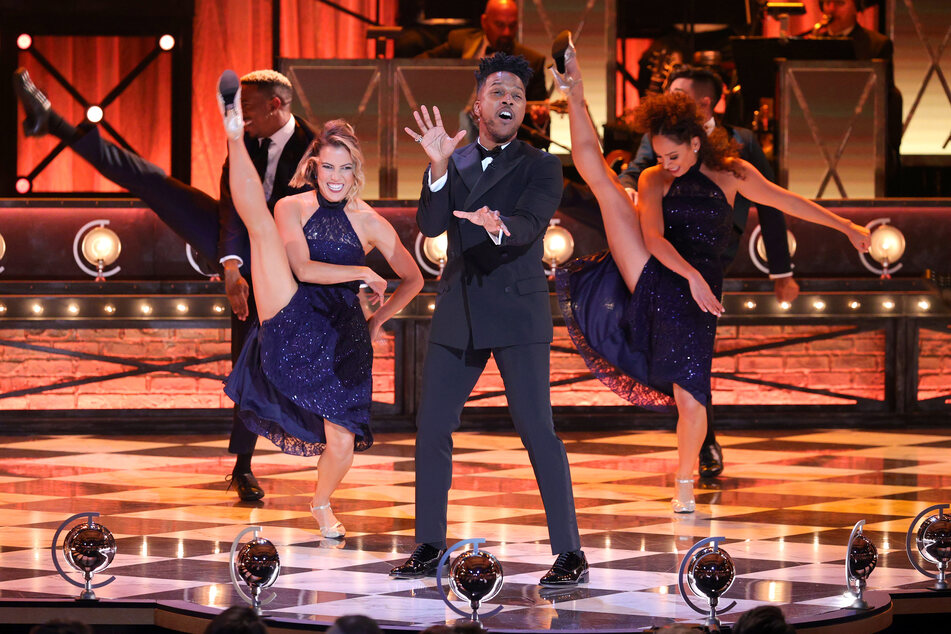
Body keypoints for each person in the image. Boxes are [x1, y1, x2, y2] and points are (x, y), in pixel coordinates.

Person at [551, 38, 869, 513]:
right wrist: (690, 278)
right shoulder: (654, 179)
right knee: (601, 182)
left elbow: (787, 202)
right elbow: (655, 240)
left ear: (696, 143)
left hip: (702, 288)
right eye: (659, 155)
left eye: (673, 156)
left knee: (692, 390)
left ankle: (684, 482)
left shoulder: (734, 173)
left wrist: (847, 226)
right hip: (658, 272)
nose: (666, 163)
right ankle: (574, 90)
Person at [12, 68, 316, 502]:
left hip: (282, 260)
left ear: (276, 105)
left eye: (245, 109)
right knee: (155, 182)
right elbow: (231, 207)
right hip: (237, 241)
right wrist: (231, 267)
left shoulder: (316, 148)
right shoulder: (242, 143)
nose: (238, 117)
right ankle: (54, 122)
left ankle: (242, 467)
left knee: (253, 359)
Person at [390, 52, 586, 586]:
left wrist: (498, 225)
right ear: (477, 103)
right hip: (459, 305)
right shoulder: (452, 159)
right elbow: (431, 223)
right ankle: (429, 544)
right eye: (498, 92)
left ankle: (570, 552)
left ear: (525, 110)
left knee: (536, 429)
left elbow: (529, 225)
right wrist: (434, 168)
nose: (508, 101)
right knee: (432, 427)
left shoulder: (541, 164)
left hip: (518, 309)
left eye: (517, 96)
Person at [216, 76, 423, 538]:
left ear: (356, 172)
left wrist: (379, 320)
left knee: (343, 444)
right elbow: (304, 269)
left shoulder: (371, 222)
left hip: (343, 334)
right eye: (327, 166)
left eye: (343, 168)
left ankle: (321, 503)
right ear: (314, 167)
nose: (334, 176)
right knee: (260, 229)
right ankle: (233, 134)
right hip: (292, 307)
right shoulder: (292, 206)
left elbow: (415, 278)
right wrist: (362, 275)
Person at [619, 65, 799, 479]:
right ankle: (703, 444)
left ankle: (698, 445)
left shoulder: (743, 144)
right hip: (667, 257)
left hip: (716, 254)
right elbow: (639, 168)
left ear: (702, 104)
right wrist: (627, 186)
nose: (671, 104)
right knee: (690, 357)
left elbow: (773, 204)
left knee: (693, 356)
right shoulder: (661, 146)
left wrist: (781, 271)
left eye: (678, 96)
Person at [417, 0, 550, 148]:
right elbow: (416, 66)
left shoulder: (531, 62)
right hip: (453, 140)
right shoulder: (458, 42)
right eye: (500, 25)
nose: (506, 32)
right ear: (484, 22)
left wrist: (540, 121)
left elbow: (543, 138)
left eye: (511, 26)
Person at [807, 0, 901, 194]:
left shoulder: (877, 45)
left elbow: (882, 97)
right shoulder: (811, 44)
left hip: (861, 137)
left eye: (840, 3)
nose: (831, 9)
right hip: (816, 135)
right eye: (827, 3)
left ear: (856, 7)